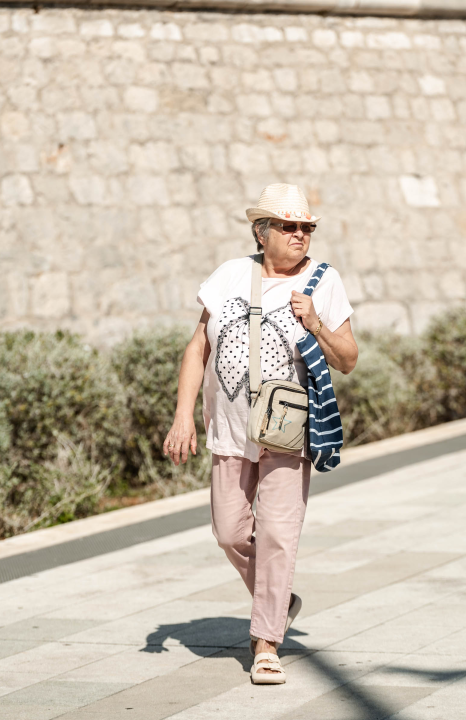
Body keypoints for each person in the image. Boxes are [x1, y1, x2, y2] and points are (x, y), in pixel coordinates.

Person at [163, 184, 358, 684]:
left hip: (287, 431)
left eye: (307, 227)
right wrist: (183, 414)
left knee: (276, 535)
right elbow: (196, 349)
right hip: (228, 428)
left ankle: (266, 643)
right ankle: (280, 598)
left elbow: (349, 359)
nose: (300, 235)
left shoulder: (324, 280)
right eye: (289, 226)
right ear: (261, 231)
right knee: (229, 531)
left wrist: (316, 323)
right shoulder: (230, 275)